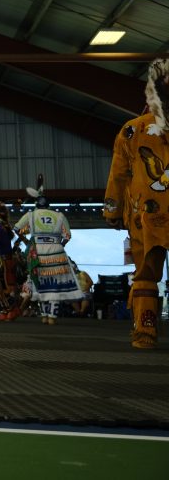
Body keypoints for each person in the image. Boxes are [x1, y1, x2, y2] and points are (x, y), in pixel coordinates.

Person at [104, 58, 169, 348]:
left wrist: (112, 211)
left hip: (147, 213)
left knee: (145, 274)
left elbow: (119, 175)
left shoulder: (132, 129)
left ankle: (146, 333)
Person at [15, 175, 82, 326]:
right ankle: (51, 316)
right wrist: (61, 245)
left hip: (36, 251)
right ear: (48, 205)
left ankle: (45, 316)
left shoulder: (31, 215)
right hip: (56, 252)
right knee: (54, 284)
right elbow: (68, 235)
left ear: (37, 204)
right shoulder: (59, 215)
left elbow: (17, 229)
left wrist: (28, 242)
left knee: (41, 284)